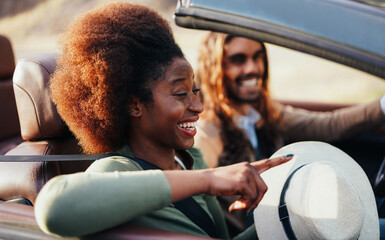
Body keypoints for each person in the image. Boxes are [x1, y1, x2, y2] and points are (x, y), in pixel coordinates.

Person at [33, 3, 292, 239]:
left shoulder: (189, 159)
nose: (198, 106)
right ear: (134, 105)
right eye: (181, 94)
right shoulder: (117, 169)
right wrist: (209, 179)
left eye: (195, 91)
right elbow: (54, 208)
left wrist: (291, 216)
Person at [194, 32, 385, 235]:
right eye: (238, 60)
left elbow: (328, 124)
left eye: (258, 57)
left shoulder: (267, 113)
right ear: (215, 68)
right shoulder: (206, 133)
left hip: (296, 216)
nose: (252, 68)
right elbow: (203, 208)